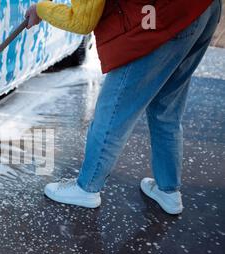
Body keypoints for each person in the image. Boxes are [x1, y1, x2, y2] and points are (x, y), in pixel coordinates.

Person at [25, 0, 221, 215]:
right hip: (202, 8)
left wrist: (40, 10)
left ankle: (86, 188)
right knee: (166, 109)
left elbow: (81, 21)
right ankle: (168, 191)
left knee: (113, 111)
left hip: (158, 17)